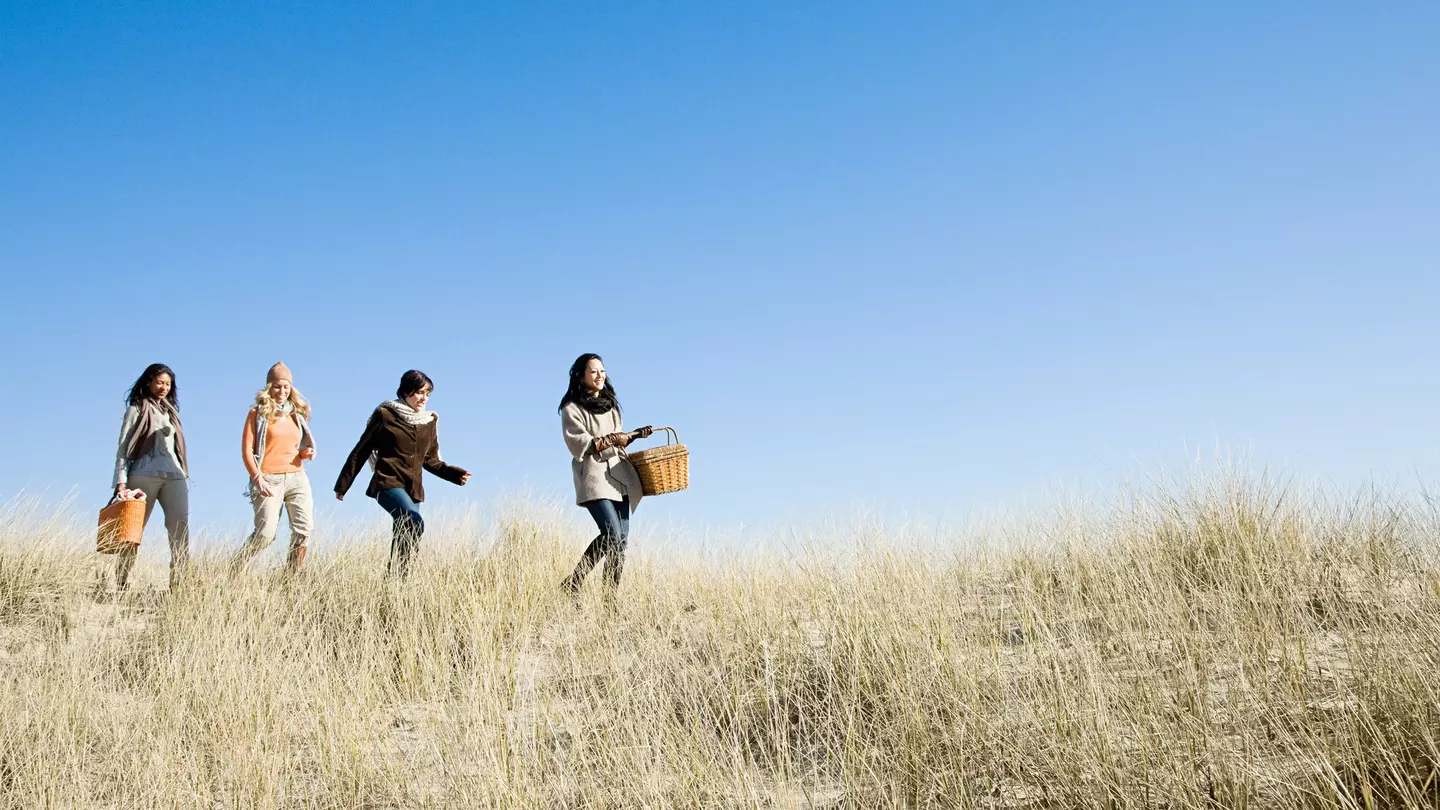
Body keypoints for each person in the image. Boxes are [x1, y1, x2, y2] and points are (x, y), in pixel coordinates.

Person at [334, 370, 470, 578]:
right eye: (419, 392)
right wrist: (343, 485)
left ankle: (397, 582)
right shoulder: (385, 414)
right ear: (406, 391)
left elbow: (430, 460)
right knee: (414, 521)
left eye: (428, 393)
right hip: (386, 483)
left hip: (412, 489)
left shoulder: (428, 422)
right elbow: (361, 450)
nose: (424, 398)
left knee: (407, 533)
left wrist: (454, 474)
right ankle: (397, 578)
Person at [558, 353, 653, 596]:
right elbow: (580, 444)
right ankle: (574, 581)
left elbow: (617, 442)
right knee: (611, 534)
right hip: (593, 477)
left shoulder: (611, 405)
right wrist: (614, 439)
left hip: (619, 477)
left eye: (602, 370)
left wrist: (632, 436)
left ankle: (610, 602)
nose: (600, 375)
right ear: (581, 377)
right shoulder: (572, 408)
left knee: (621, 542)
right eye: (593, 371)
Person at [111, 363, 190, 590]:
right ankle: (121, 581)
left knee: (180, 526)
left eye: (168, 383)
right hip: (143, 474)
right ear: (149, 382)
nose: (164, 387)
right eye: (159, 382)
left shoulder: (171, 412)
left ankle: (180, 584)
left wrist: (184, 471)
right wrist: (120, 481)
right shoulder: (136, 409)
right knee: (133, 531)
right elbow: (123, 447)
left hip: (174, 474)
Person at [233, 361, 317, 573]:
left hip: (297, 477)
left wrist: (305, 452)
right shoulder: (257, 414)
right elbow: (246, 451)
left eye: (286, 387)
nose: (282, 391)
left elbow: (296, 446)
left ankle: (291, 578)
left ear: (291, 389)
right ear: (269, 387)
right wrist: (257, 478)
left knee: (303, 530)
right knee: (265, 534)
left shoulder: (295, 414)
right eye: (277, 386)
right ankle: (235, 566)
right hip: (269, 479)